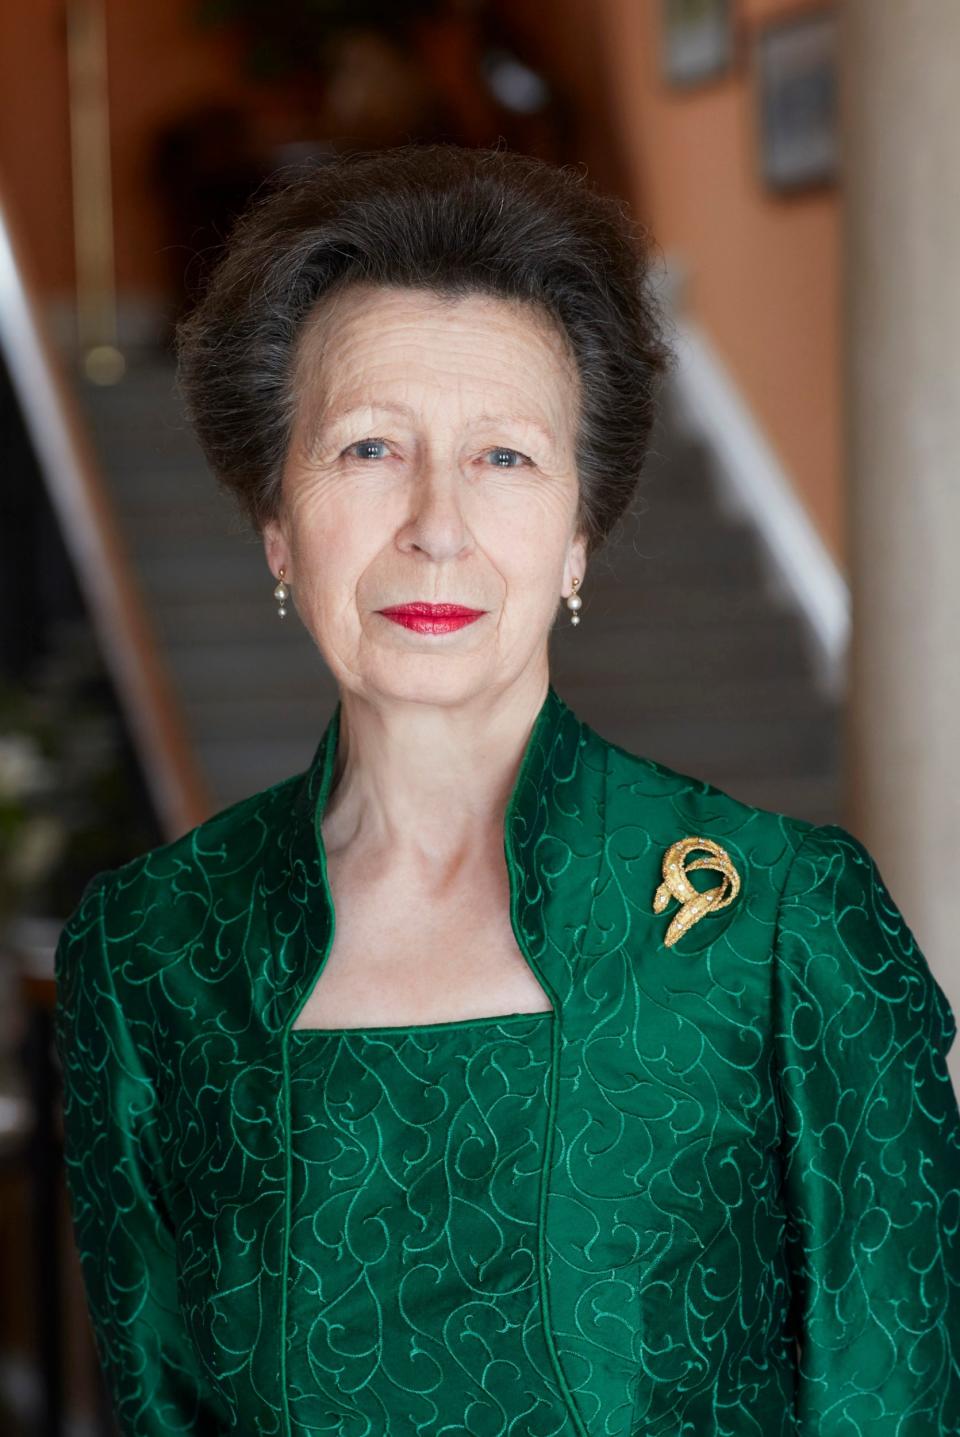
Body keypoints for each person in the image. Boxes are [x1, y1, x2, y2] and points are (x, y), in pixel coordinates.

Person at [54, 144, 960, 1437]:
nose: (435, 523)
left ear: (581, 530)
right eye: (368, 447)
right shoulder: (150, 954)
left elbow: (904, 1401)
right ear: (275, 522)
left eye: (505, 459)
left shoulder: (783, 931)